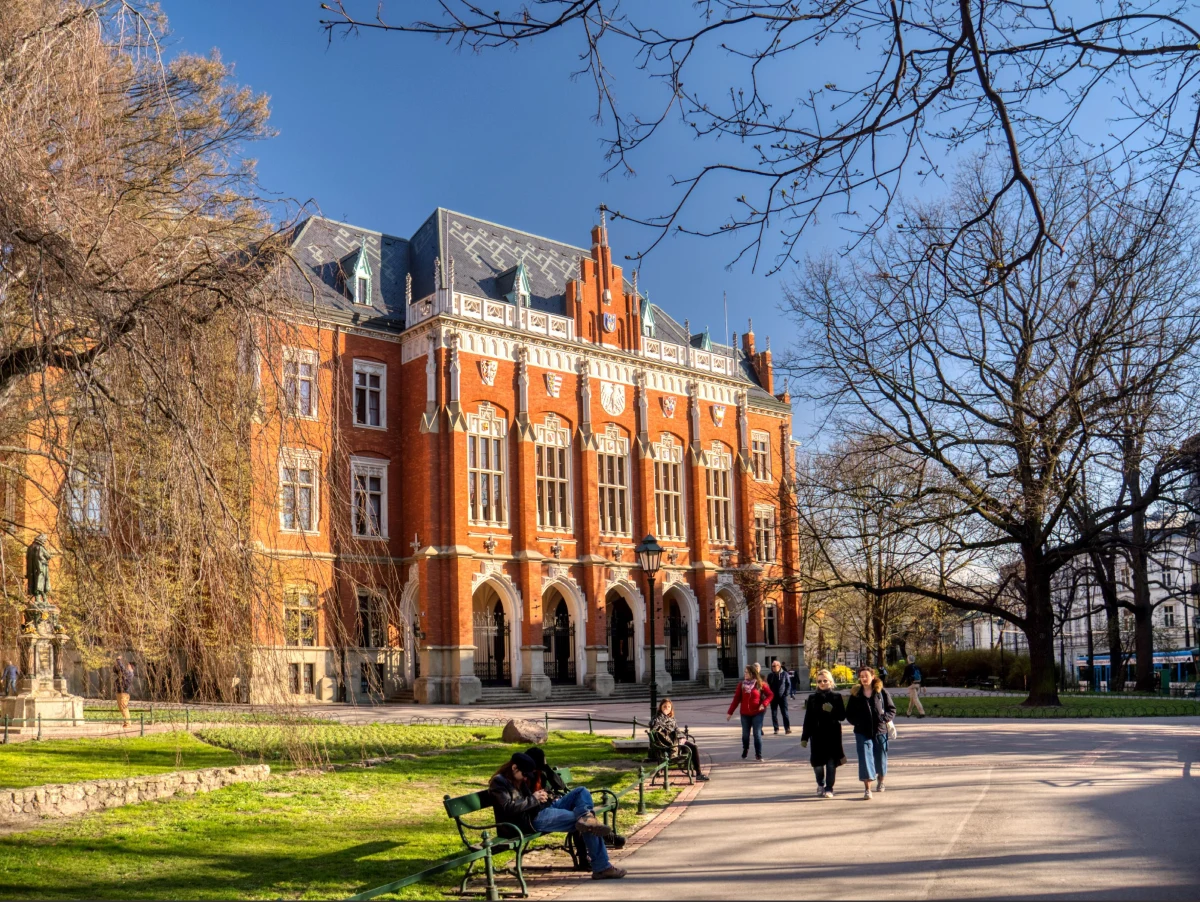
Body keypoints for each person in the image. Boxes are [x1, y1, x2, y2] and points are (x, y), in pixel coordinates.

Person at [489, 752, 627, 881]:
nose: (526, 778)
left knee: (581, 792)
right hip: (528, 821)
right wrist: (534, 799)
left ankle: (586, 816)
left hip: (540, 810)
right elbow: (507, 808)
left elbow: (529, 798)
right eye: (524, 774)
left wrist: (543, 797)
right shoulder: (499, 782)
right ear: (514, 767)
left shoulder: (518, 779)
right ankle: (602, 867)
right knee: (587, 823)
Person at [845, 665, 896, 799]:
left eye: (866, 676)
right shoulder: (856, 694)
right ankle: (867, 788)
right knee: (865, 758)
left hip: (880, 730)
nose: (863, 679)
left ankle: (881, 780)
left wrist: (883, 719)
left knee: (880, 757)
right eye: (861, 677)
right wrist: (856, 722)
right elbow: (848, 713)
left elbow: (892, 709)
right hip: (862, 731)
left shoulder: (881, 692)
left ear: (872, 677)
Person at [800, 669, 846, 798]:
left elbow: (842, 716)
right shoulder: (812, 698)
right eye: (819, 681)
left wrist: (832, 710)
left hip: (832, 734)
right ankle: (820, 783)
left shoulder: (836, 697)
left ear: (830, 682)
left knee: (831, 764)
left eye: (825, 680)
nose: (822, 683)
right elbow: (808, 718)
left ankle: (829, 788)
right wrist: (805, 737)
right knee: (817, 764)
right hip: (817, 735)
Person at [649, 698, 710, 780]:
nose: (666, 708)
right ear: (660, 707)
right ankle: (695, 771)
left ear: (671, 708)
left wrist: (682, 737)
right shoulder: (657, 718)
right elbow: (653, 726)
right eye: (664, 707)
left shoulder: (672, 718)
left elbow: (677, 729)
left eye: (668, 707)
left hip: (677, 741)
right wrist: (663, 716)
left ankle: (699, 774)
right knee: (689, 748)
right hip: (668, 745)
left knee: (694, 747)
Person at [726, 664, 773, 761]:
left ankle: (758, 754)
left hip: (757, 713)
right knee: (745, 734)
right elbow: (736, 699)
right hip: (745, 713)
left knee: (757, 733)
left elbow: (770, 695)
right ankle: (745, 749)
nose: (745, 674)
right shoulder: (741, 685)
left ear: (752, 673)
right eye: (745, 672)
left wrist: (763, 704)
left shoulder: (760, 684)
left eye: (747, 672)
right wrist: (730, 712)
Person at [766, 660, 792, 734]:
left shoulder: (785, 674)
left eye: (774, 666)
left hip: (782, 697)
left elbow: (788, 684)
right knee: (774, 713)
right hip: (773, 697)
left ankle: (787, 728)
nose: (773, 668)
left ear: (779, 666)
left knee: (785, 713)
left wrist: (785, 694)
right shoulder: (770, 675)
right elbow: (769, 685)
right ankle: (776, 728)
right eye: (772, 666)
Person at [113, 657, 134, 728]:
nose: (127, 666)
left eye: (128, 665)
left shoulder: (129, 673)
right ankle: (126, 723)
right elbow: (117, 671)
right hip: (121, 692)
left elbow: (122, 669)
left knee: (123, 707)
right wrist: (116, 664)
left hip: (123, 693)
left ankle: (128, 723)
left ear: (131, 666)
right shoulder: (126, 674)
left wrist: (118, 660)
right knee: (121, 708)